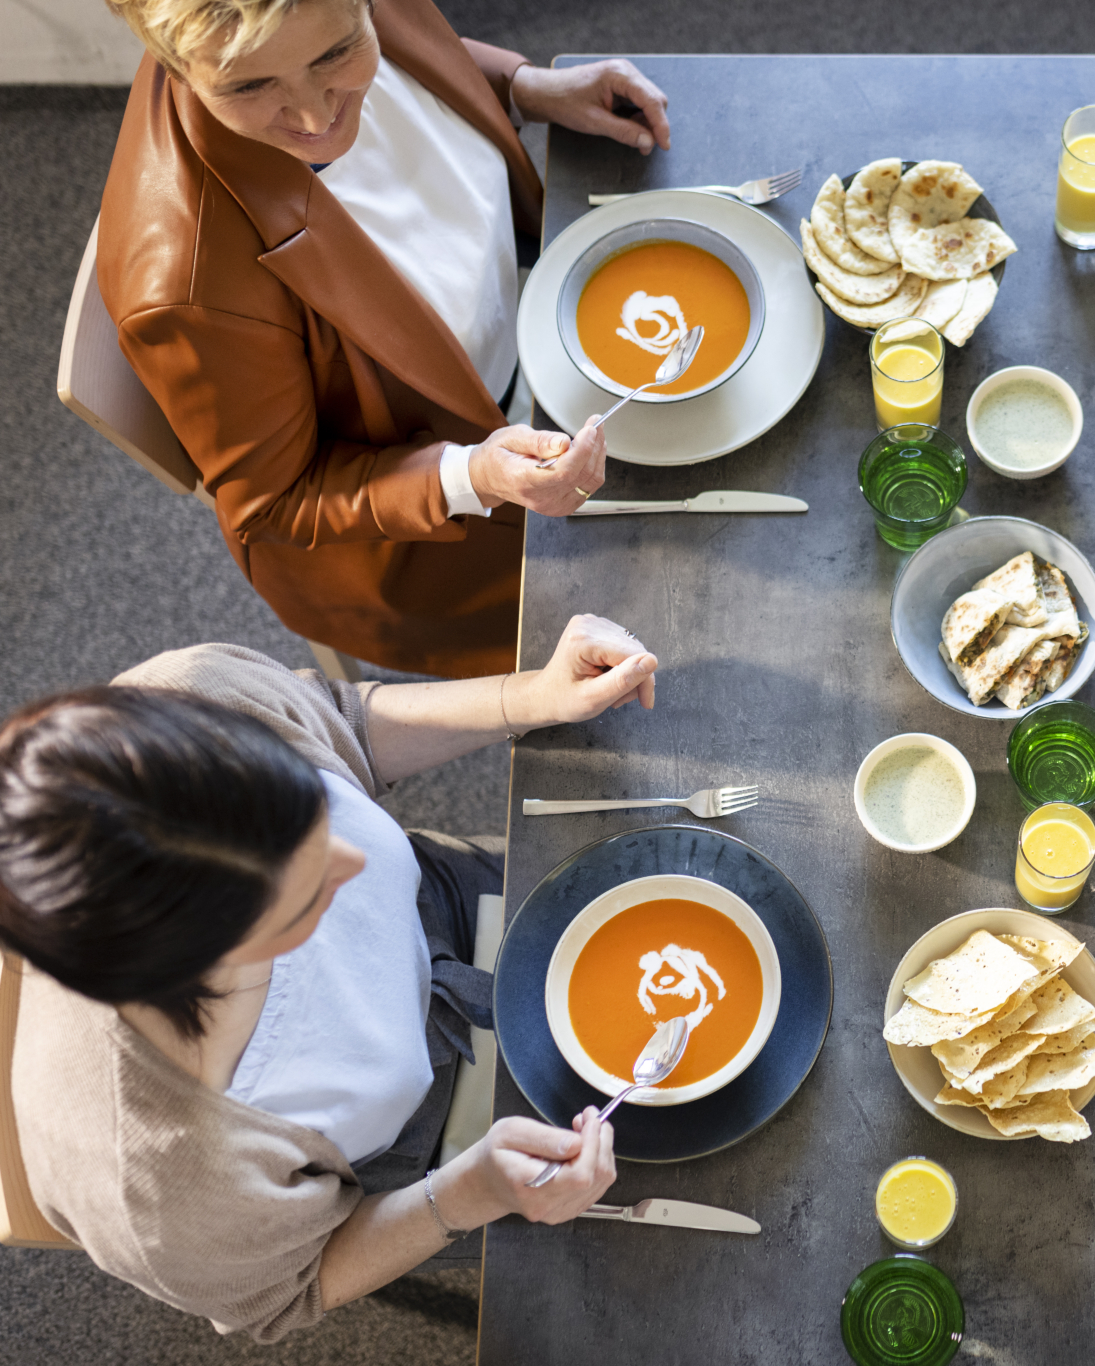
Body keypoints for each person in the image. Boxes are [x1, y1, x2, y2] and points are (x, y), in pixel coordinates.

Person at [0, 613, 661, 1340]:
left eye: (317, 814)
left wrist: (531, 695)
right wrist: (468, 1192)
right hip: (436, 1150)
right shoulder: (164, 1193)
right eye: (306, 895)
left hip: (453, 904)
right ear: (193, 962)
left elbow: (341, 721)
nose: (351, 866)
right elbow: (294, 1289)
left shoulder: (185, 701)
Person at [97, 0, 674, 676]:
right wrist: (473, 474)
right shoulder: (188, 289)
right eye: (250, 87)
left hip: (523, 331)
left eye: (336, 54)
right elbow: (281, 501)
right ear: (176, 66)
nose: (315, 119)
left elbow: (410, 54)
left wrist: (523, 88)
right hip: (436, 526)